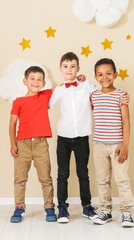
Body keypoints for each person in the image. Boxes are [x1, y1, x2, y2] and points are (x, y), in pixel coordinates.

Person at [49, 52, 98, 223]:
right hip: (63, 137)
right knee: (62, 174)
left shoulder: (86, 85)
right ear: (60, 69)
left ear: (78, 68)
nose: (69, 69)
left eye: (72, 66)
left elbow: (100, 95)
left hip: (82, 136)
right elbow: (47, 105)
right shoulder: (59, 90)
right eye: (65, 66)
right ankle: (62, 208)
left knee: (83, 173)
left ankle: (87, 207)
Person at [9, 66, 57, 223]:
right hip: (22, 144)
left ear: (44, 83)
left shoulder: (45, 96)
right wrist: (13, 144)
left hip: (40, 144)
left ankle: (49, 207)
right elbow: (12, 123)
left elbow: (63, 87)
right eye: (32, 78)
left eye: (39, 79)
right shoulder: (19, 101)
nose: (36, 82)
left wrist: (78, 79)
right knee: (20, 178)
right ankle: (19, 207)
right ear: (25, 81)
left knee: (45, 178)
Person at [90, 58, 134, 227]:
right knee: (102, 180)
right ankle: (105, 211)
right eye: (100, 74)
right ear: (95, 77)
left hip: (117, 145)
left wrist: (125, 145)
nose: (104, 77)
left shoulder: (120, 95)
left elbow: (126, 121)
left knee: (122, 179)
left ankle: (126, 213)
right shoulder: (93, 96)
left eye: (109, 73)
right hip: (99, 146)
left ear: (115, 74)